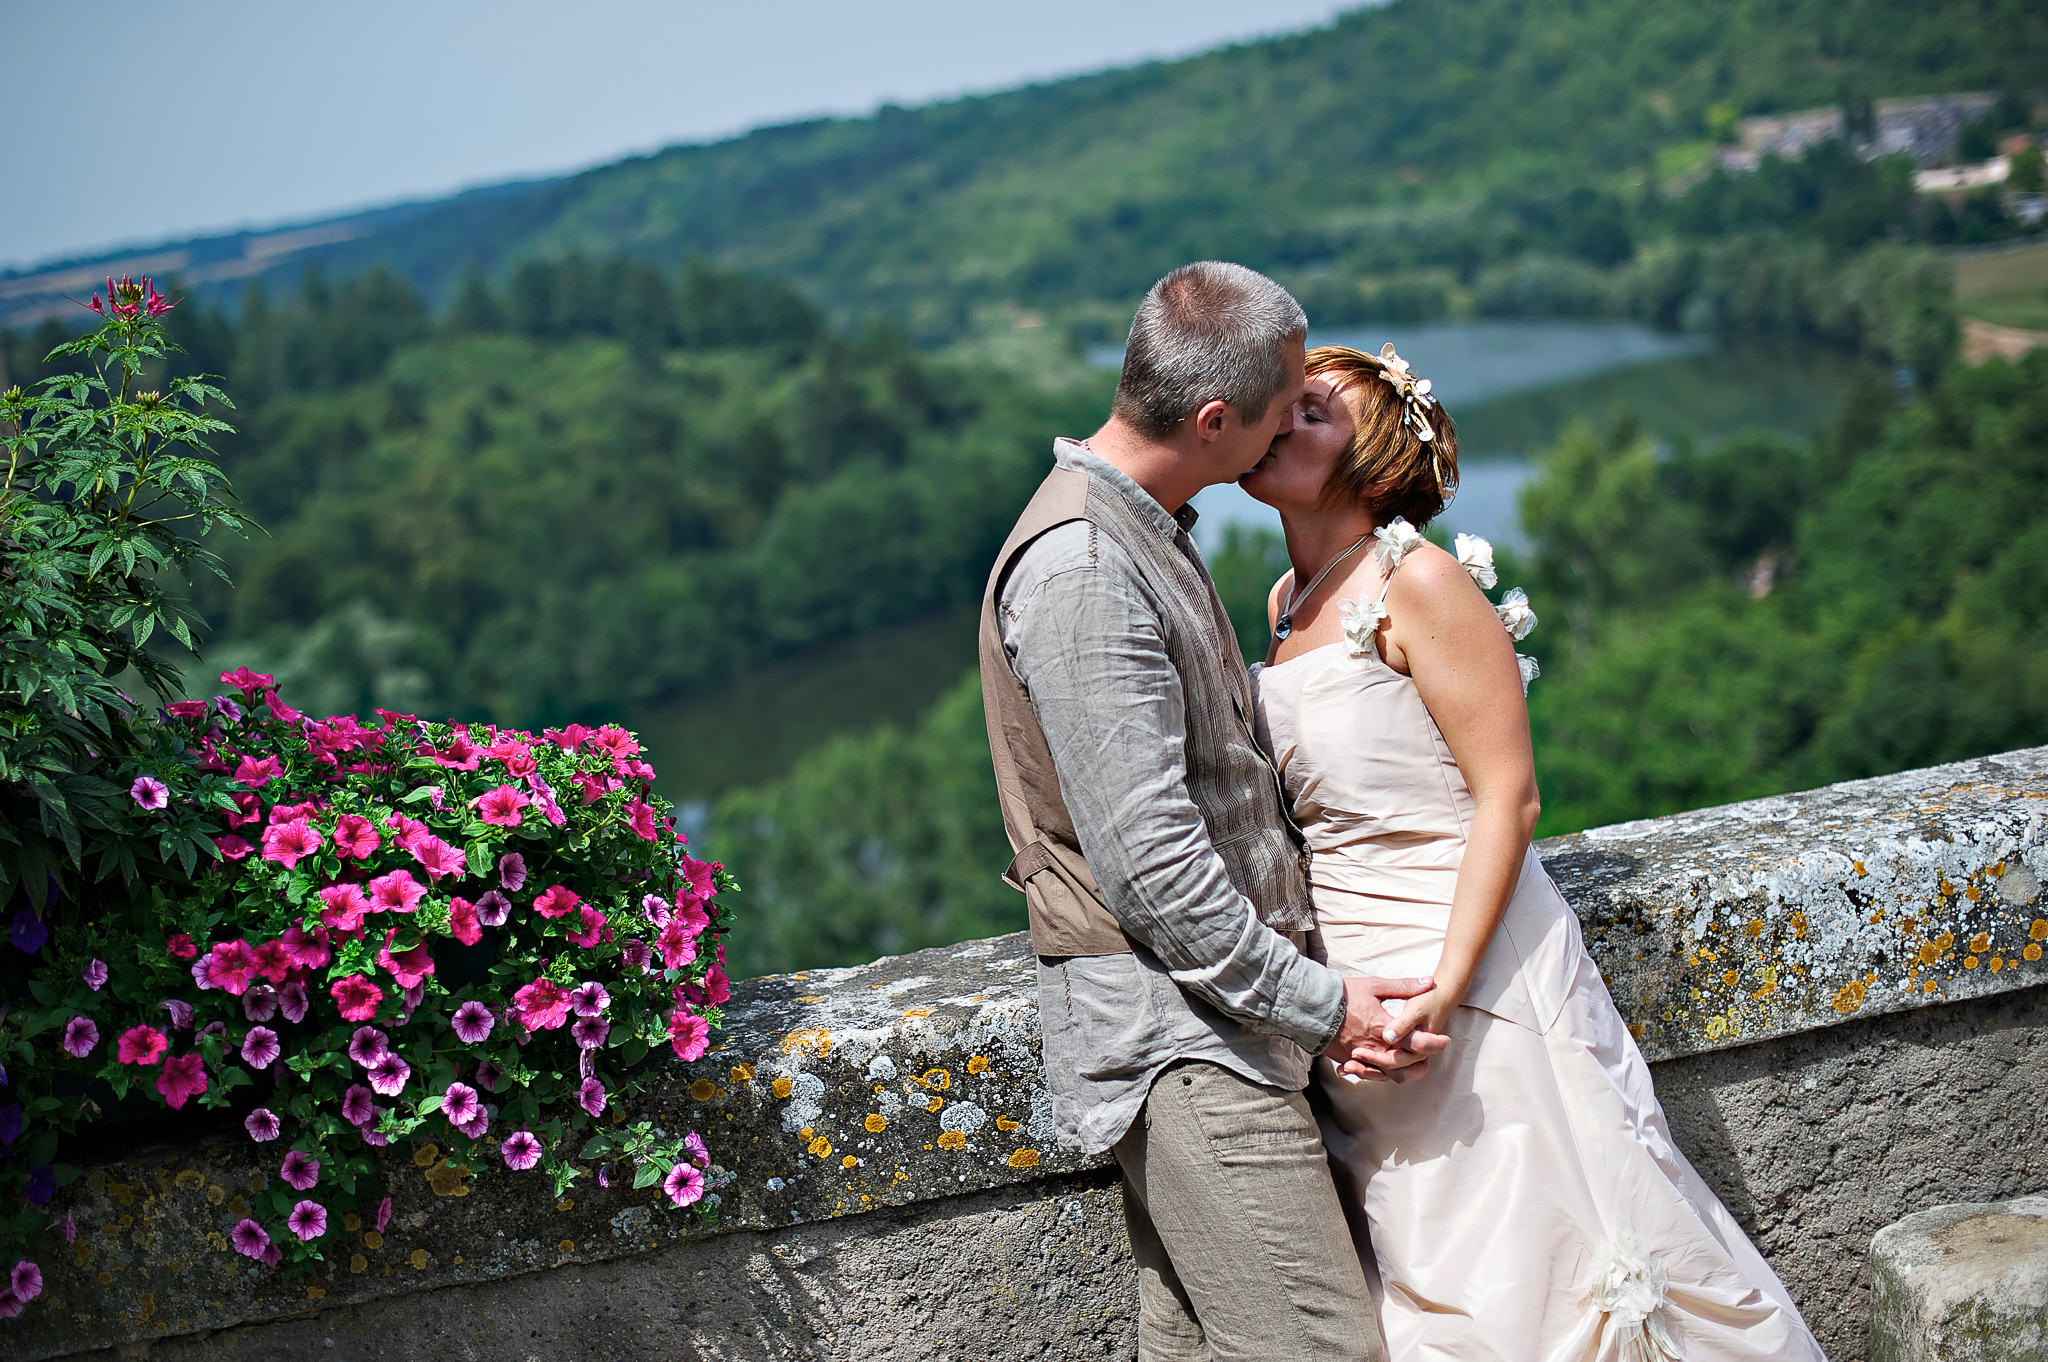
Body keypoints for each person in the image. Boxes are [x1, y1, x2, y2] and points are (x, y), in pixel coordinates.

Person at [1241, 343, 1829, 1360]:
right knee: (1431, 1256)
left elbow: (1506, 797)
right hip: (1352, 974)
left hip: (1466, 968)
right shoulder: (1283, 603)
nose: (1275, 420)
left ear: (1373, 468)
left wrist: (1445, 986)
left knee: (1534, 1256)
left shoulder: (1416, 584)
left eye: (1308, 413)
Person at [978, 263, 1447, 1361]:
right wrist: (1324, 1007)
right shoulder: (1085, 565)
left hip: (1210, 1029)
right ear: (1211, 419)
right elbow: (1149, 870)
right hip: (1184, 1044)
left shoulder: (1135, 521)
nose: (1298, 420)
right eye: (1284, 404)